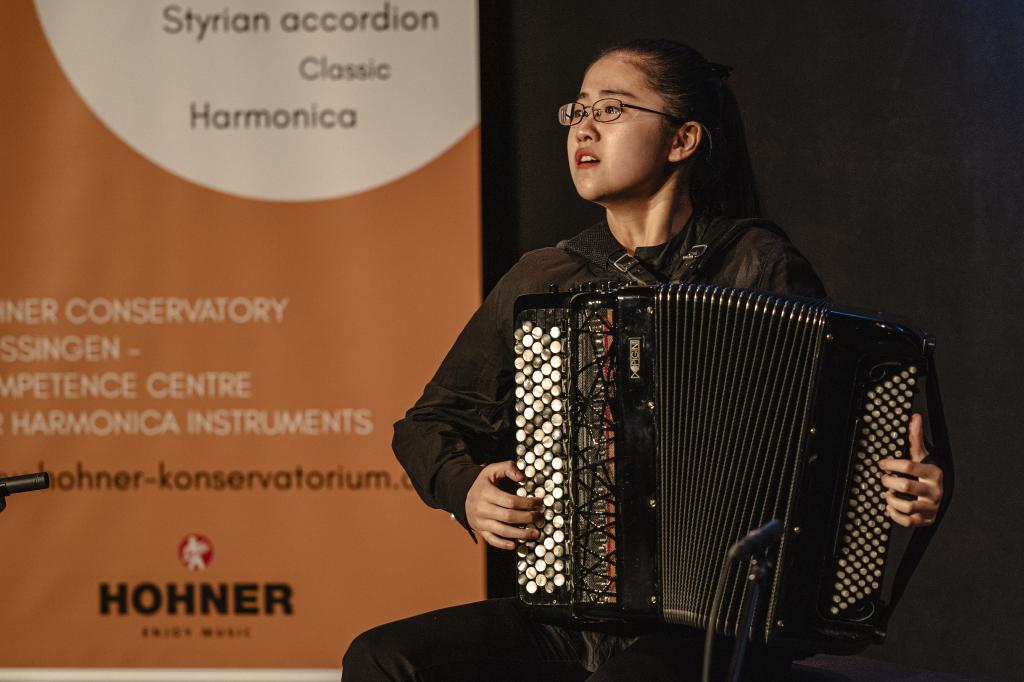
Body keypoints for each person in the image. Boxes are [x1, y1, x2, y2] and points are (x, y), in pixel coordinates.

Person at [341, 38, 945, 681]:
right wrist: (468, 491)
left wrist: (899, 487)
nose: (585, 127)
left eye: (613, 108)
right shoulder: (545, 279)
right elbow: (430, 423)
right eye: (577, 111)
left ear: (682, 139)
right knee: (383, 659)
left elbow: (833, 446)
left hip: (721, 618)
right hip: (574, 615)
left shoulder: (757, 265)